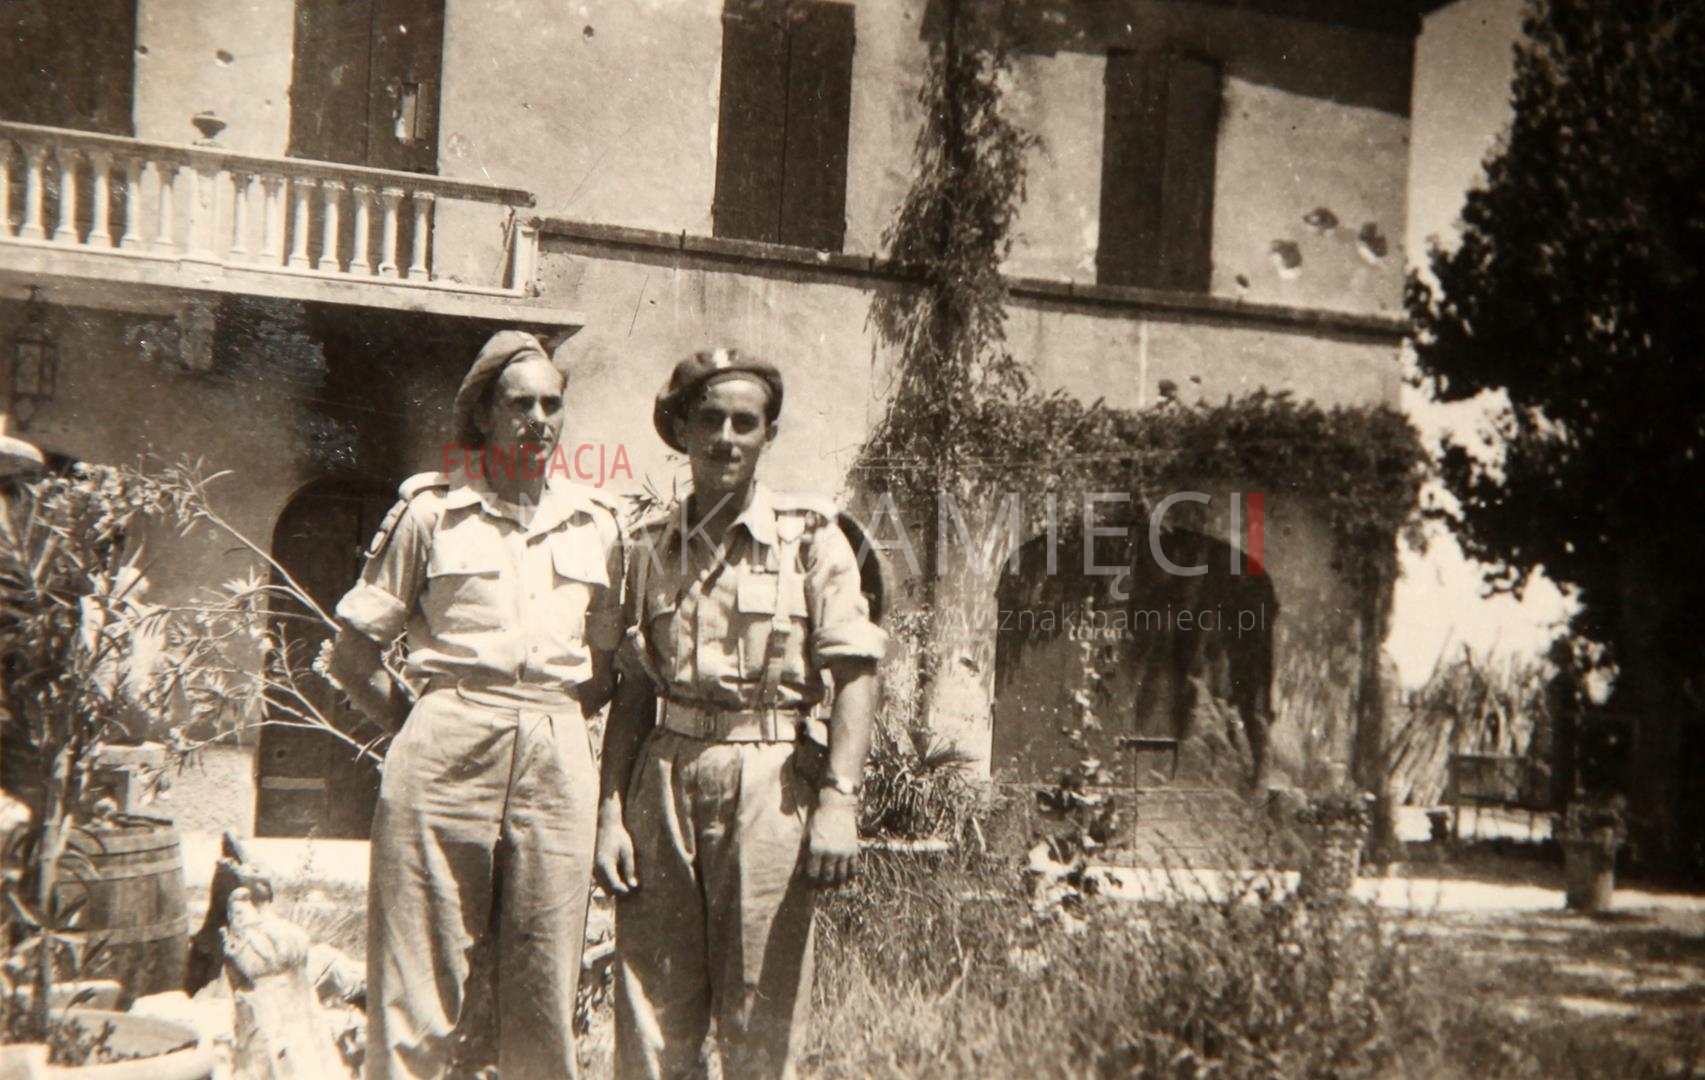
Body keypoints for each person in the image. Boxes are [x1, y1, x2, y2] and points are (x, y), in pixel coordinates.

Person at [330, 330, 622, 1080]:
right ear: (484, 415)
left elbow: (604, 665)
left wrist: (547, 719)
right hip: (446, 740)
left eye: (552, 405)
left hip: (556, 750)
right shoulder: (433, 514)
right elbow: (351, 657)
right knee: (417, 982)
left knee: (545, 983)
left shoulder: (596, 524)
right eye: (520, 404)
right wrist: (427, 725)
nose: (538, 420)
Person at [595, 348, 886, 1080]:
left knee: (760, 1009)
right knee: (651, 1008)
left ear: (768, 435)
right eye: (710, 420)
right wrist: (610, 813)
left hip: (771, 781)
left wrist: (839, 802)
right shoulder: (648, 547)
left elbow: (855, 673)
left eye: (744, 423)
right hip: (665, 776)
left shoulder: (810, 538)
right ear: (682, 431)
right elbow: (634, 690)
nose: (726, 438)